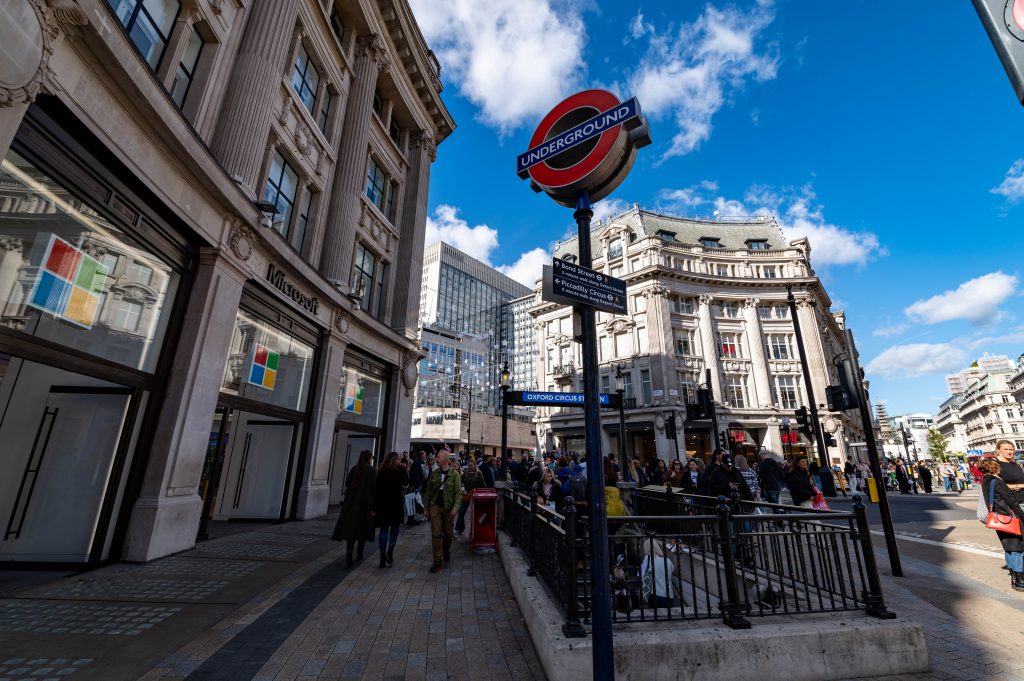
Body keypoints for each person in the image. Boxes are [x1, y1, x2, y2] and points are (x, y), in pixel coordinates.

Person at [977, 458, 1024, 591]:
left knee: (1009, 547)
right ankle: (1020, 579)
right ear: (994, 468)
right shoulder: (996, 481)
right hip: (1008, 518)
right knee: (1017, 548)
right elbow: (1012, 503)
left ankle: (1015, 578)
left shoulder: (985, 481)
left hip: (999, 519)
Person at [332, 449, 376, 567]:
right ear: (369, 458)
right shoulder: (372, 471)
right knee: (362, 529)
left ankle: (349, 554)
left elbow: (347, 484)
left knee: (352, 530)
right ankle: (360, 552)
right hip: (365, 505)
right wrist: (374, 507)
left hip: (352, 504)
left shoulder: (354, 469)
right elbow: (374, 489)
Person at [424, 453, 461, 573]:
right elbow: (428, 492)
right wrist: (425, 508)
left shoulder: (454, 475)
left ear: (445, 459)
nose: (436, 459)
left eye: (438, 457)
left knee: (448, 534)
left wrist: (456, 507)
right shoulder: (434, 473)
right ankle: (437, 560)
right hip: (435, 506)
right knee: (435, 534)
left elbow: (458, 494)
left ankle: (445, 550)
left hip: (448, 508)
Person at [373, 451, 408, 568]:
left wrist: (374, 506)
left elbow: (376, 490)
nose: (400, 461)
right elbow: (406, 483)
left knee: (384, 529)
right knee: (395, 527)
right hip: (395, 504)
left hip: (383, 504)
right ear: (394, 460)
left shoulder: (381, 471)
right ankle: (390, 551)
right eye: (398, 460)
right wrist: (404, 469)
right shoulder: (398, 471)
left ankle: (382, 556)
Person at [455, 457, 487, 536]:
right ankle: (458, 529)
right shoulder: (465, 473)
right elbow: (460, 483)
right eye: (468, 465)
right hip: (466, 495)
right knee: (461, 512)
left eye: (471, 465)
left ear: (474, 465)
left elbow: (483, 486)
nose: (469, 467)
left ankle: (475, 531)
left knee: (475, 514)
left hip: (476, 496)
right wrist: (463, 489)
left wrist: (479, 493)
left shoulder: (479, 473)